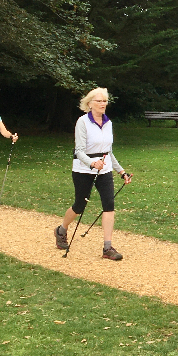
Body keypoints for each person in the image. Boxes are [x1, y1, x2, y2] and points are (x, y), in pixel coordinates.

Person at [54, 88, 132, 260]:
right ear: (89, 104)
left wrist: (121, 171)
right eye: (99, 101)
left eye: (105, 101)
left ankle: (107, 247)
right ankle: (61, 230)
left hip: (104, 170)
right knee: (79, 206)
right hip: (83, 169)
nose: (103, 104)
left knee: (109, 203)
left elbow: (108, 152)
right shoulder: (82, 122)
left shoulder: (108, 122)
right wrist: (92, 163)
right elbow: (79, 151)